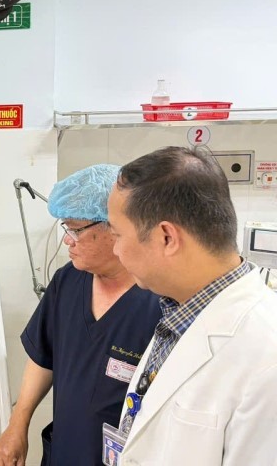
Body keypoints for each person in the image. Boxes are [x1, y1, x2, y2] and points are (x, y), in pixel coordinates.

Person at [107, 146, 277, 465]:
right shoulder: (179, 312)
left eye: (117, 235)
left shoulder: (267, 359)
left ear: (167, 238)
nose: (115, 250)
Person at [0, 165, 161, 466]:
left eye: (75, 229)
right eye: (65, 228)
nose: (67, 240)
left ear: (114, 228)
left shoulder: (159, 301)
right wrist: (18, 424)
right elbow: (43, 356)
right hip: (65, 450)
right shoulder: (68, 281)